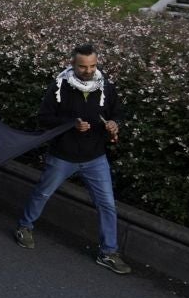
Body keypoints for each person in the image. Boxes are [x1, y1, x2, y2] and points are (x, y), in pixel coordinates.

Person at [14, 44, 131, 274]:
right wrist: (71, 124)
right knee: (43, 192)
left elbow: (118, 113)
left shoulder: (106, 86)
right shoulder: (59, 86)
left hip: (95, 156)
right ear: (72, 64)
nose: (88, 71)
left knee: (107, 204)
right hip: (63, 155)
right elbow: (44, 118)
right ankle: (24, 226)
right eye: (82, 67)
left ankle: (108, 252)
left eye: (93, 66)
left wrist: (115, 123)